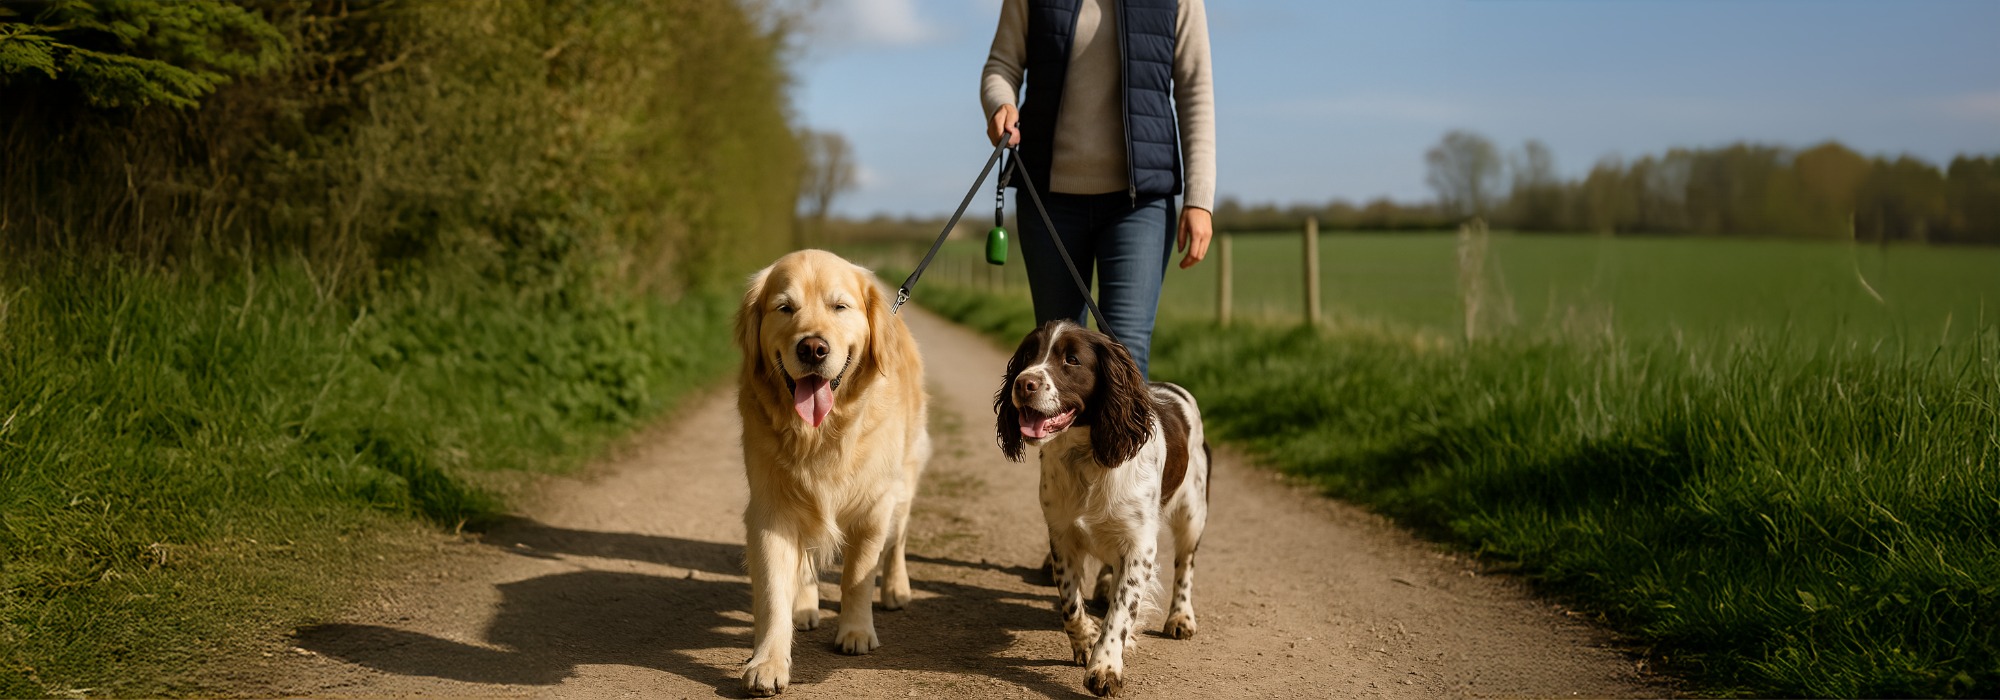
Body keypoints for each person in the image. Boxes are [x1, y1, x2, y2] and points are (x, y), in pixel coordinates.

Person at [981, 0, 1214, 378]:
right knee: (1058, 359)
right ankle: (1065, 440)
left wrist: (1199, 199)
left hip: (1140, 205)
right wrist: (1000, 103)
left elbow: (1195, 87)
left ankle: (1123, 441)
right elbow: (1001, 66)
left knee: (1127, 356)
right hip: (1048, 203)